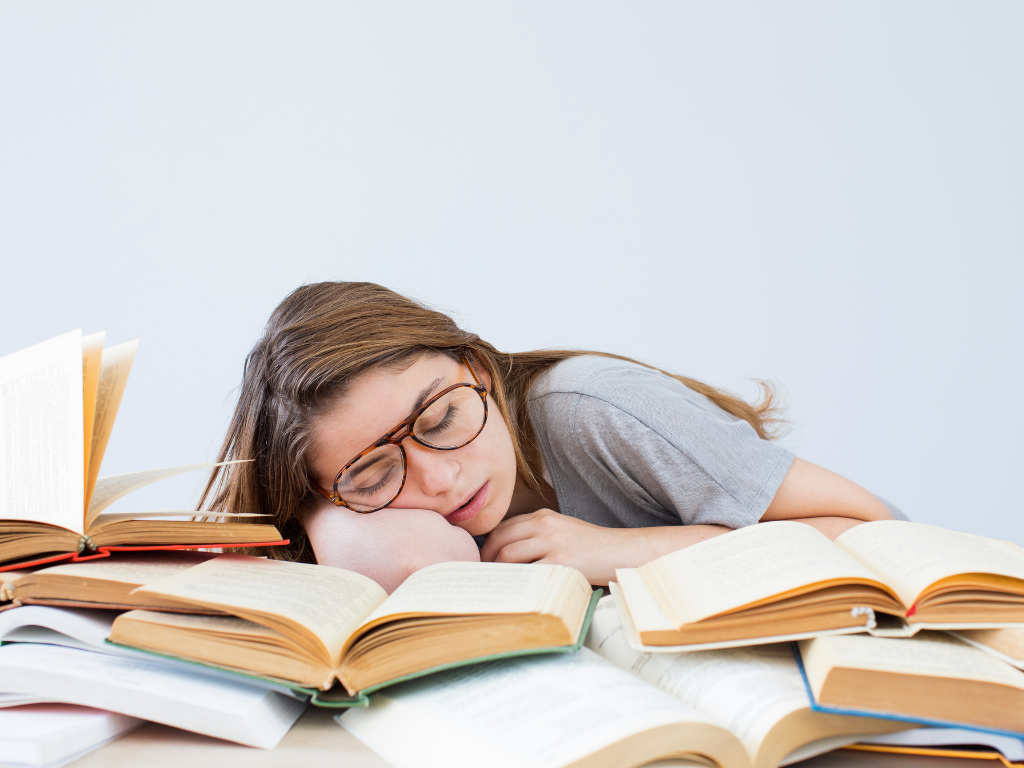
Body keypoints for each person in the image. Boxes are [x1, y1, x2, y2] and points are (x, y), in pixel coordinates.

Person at [202, 282, 898, 593]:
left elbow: (879, 528)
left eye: (442, 419)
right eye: (375, 473)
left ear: (475, 366)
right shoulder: (352, 512)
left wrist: (619, 551)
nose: (440, 481)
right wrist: (325, 510)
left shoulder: (589, 408)